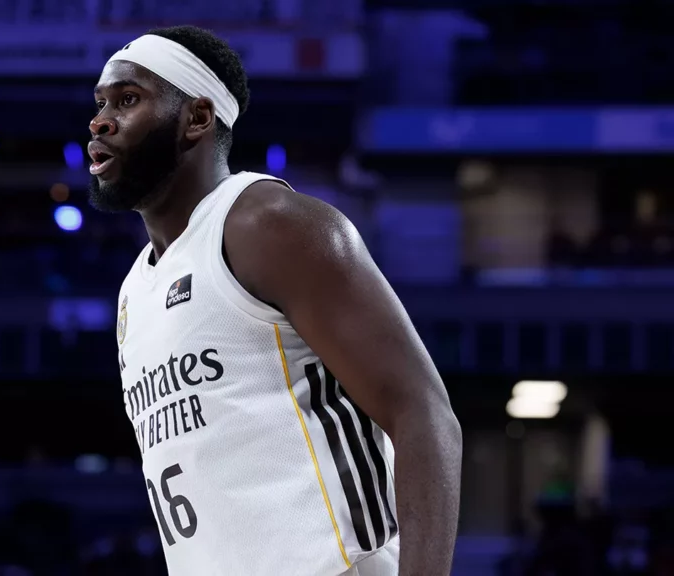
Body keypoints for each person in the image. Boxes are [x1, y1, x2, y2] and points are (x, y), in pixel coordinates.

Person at [88, 25, 462, 576]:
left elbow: (424, 412)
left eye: (128, 99)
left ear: (197, 118)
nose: (100, 121)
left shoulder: (269, 225)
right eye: (100, 103)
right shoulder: (133, 292)